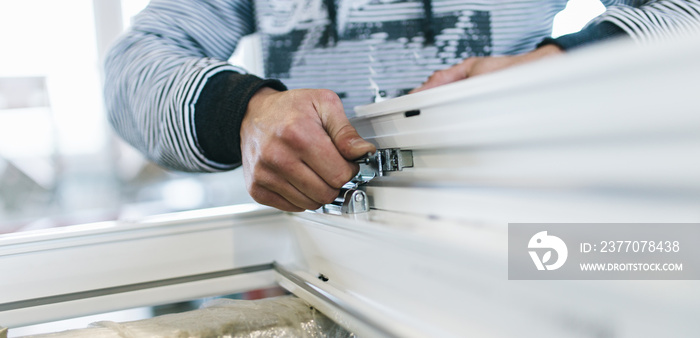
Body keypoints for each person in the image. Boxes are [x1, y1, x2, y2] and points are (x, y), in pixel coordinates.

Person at [105, 0, 700, 212]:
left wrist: (551, 67)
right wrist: (242, 111)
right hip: (331, 257)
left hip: (526, 240)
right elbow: (130, 66)